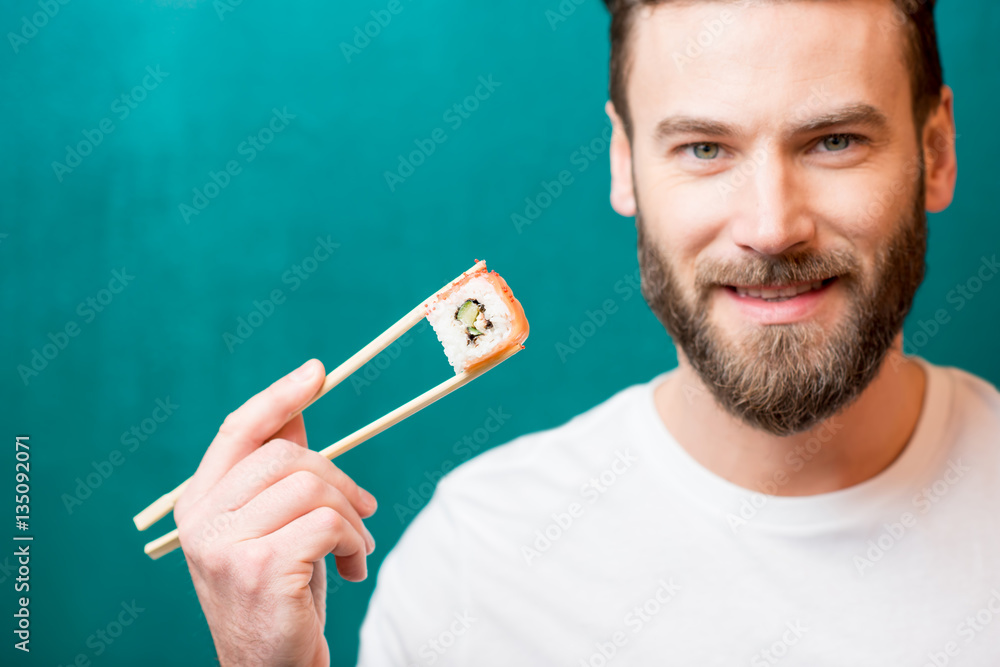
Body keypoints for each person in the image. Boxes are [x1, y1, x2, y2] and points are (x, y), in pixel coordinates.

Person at [175, 0, 1000, 664]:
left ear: (936, 150)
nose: (771, 226)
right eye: (705, 148)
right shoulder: (474, 564)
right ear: (623, 161)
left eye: (834, 140)